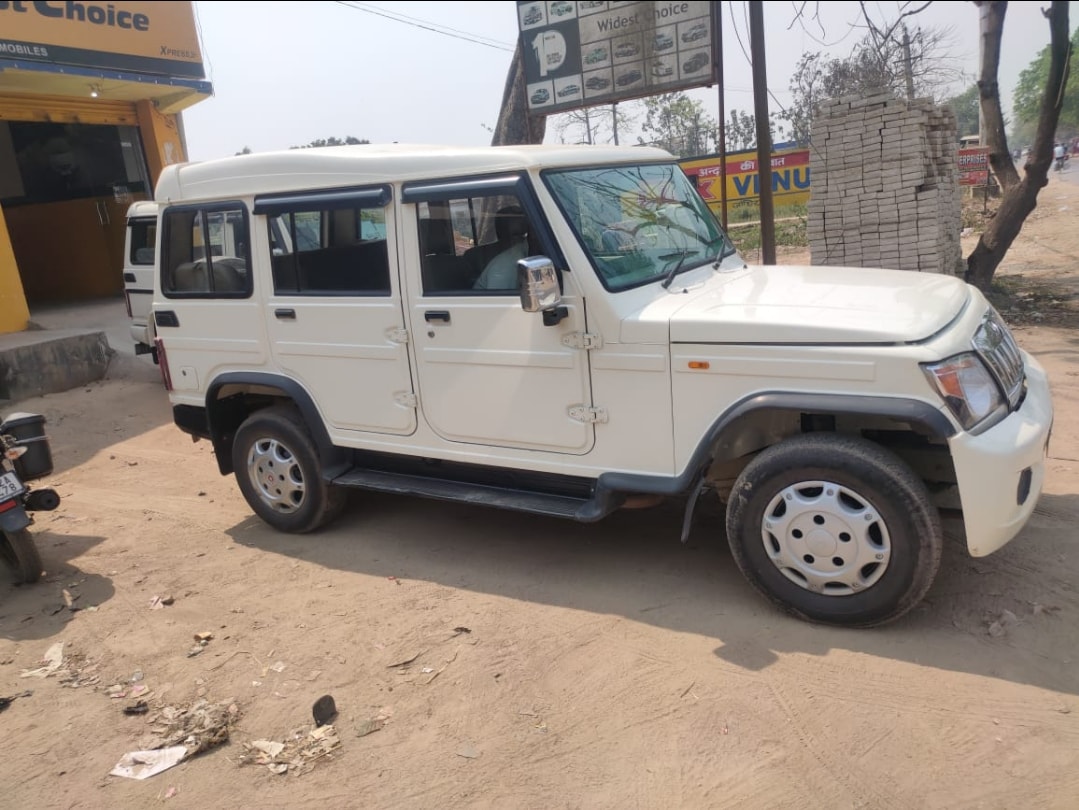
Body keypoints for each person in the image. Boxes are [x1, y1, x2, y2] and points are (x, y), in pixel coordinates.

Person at [473, 205, 530, 291]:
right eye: (516, 235)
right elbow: (498, 302)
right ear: (501, 235)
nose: (524, 240)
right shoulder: (504, 268)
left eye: (525, 234)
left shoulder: (522, 256)